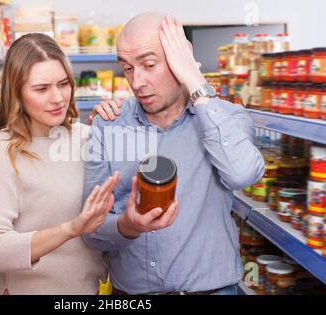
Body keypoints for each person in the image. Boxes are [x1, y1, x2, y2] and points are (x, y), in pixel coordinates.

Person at [82, 13, 265, 295]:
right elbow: (91, 232)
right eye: (128, 68)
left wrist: (194, 78)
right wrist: (126, 226)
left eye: (149, 64)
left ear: (181, 57)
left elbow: (243, 174)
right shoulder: (109, 125)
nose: (137, 81)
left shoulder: (226, 117)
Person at [0, 33, 121, 295]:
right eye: (41, 89)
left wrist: (113, 125)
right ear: (16, 93)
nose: (57, 98)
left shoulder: (86, 137)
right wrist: (70, 229)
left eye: (63, 84)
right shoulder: (2, 152)